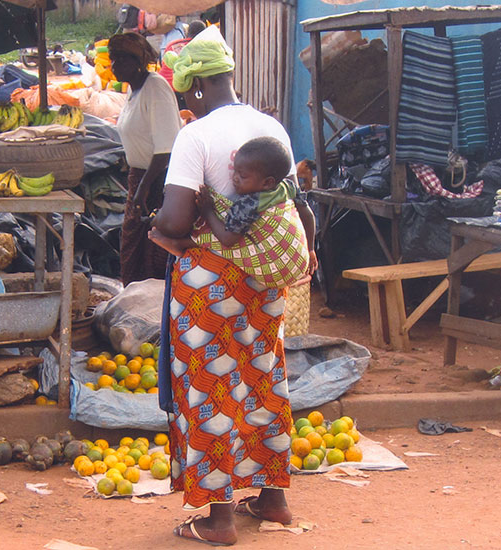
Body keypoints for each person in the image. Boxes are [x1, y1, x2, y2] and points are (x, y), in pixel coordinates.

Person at [149, 26, 316, 546]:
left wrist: (158, 227)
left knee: (210, 390)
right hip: (263, 282)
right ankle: (273, 499)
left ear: (196, 87)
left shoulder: (194, 136)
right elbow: (293, 200)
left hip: (209, 286)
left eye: (185, 93)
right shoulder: (271, 128)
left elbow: (177, 220)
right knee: (262, 383)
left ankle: (219, 519)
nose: (186, 102)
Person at [152, 136, 314, 289]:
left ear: (267, 182)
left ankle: (182, 243)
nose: (234, 178)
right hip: (300, 261)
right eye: (234, 171)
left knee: (221, 217)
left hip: (276, 271)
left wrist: (208, 210)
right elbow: (307, 214)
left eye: (242, 176)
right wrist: (311, 250)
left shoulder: (248, 204)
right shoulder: (288, 186)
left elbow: (227, 239)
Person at [108, 33, 182, 285]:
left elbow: (165, 149)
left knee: (153, 251)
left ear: (137, 61)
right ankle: (135, 301)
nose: (113, 66)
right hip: (139, 177)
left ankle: (153, 308)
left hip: (157, 181)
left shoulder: (155, 88)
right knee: (132, 246)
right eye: (111, 60)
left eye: (119, 60)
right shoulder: (133, 91)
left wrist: (143, 188)